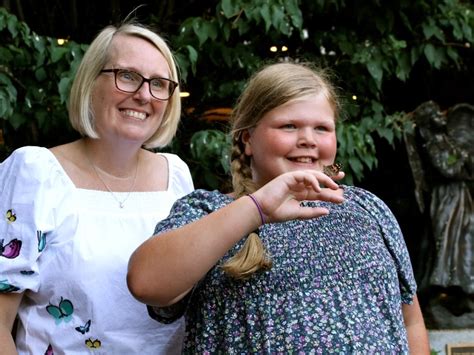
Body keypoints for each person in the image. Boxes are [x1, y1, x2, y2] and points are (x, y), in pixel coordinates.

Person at [127, 62, 430, 353]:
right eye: (289, 125)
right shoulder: (210, 211)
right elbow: (146, 282)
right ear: (248, 139)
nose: (308, 140)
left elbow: (410, 321)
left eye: (322, 128)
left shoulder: (366, 208)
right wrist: (255, 209)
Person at [0, 21, 193, 354]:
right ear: (91, 82)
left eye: (159, 84)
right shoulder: (36, 173)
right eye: (128, 76)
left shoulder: (176, 177)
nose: (144, 95)